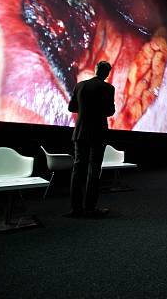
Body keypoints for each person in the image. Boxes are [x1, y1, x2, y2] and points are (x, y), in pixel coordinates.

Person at [66, 61, 116, 218]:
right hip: (98, 133)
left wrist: (84, 109)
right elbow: (110, 111)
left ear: (95, 70)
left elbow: (71, 108)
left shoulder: (80, 85)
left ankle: (75, 208)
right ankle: (90, 208)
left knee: (77, 170)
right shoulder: (108, 88)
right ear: (107, 73)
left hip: (80, 132)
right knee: (94, 171)